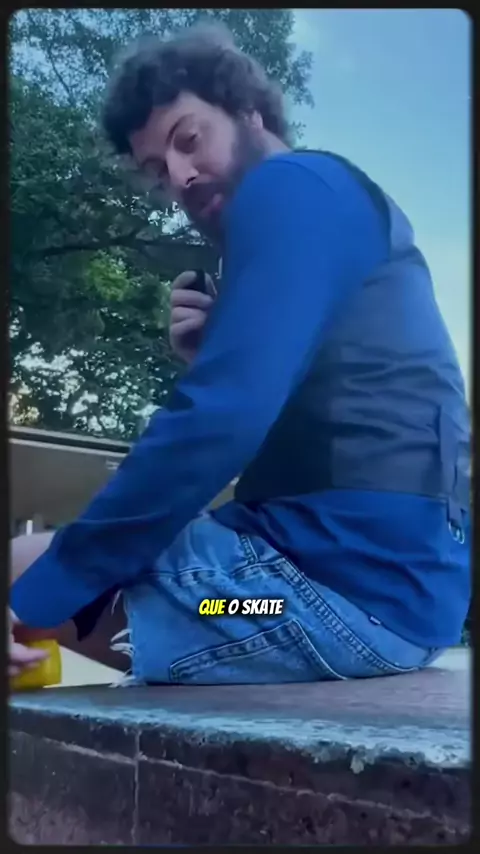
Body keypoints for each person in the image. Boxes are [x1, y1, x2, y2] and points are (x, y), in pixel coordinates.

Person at [9, 23, 470, 686]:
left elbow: (222, 418)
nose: (180, 176)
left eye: (188, 139)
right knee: (76, 611)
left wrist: (39, 593)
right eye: (157, 172)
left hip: (313, 597)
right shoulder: (332, 207)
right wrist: (213, 357)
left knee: (24, 574)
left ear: (249, 112)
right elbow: (321, 425)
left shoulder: (291, 185)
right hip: (385, 608)